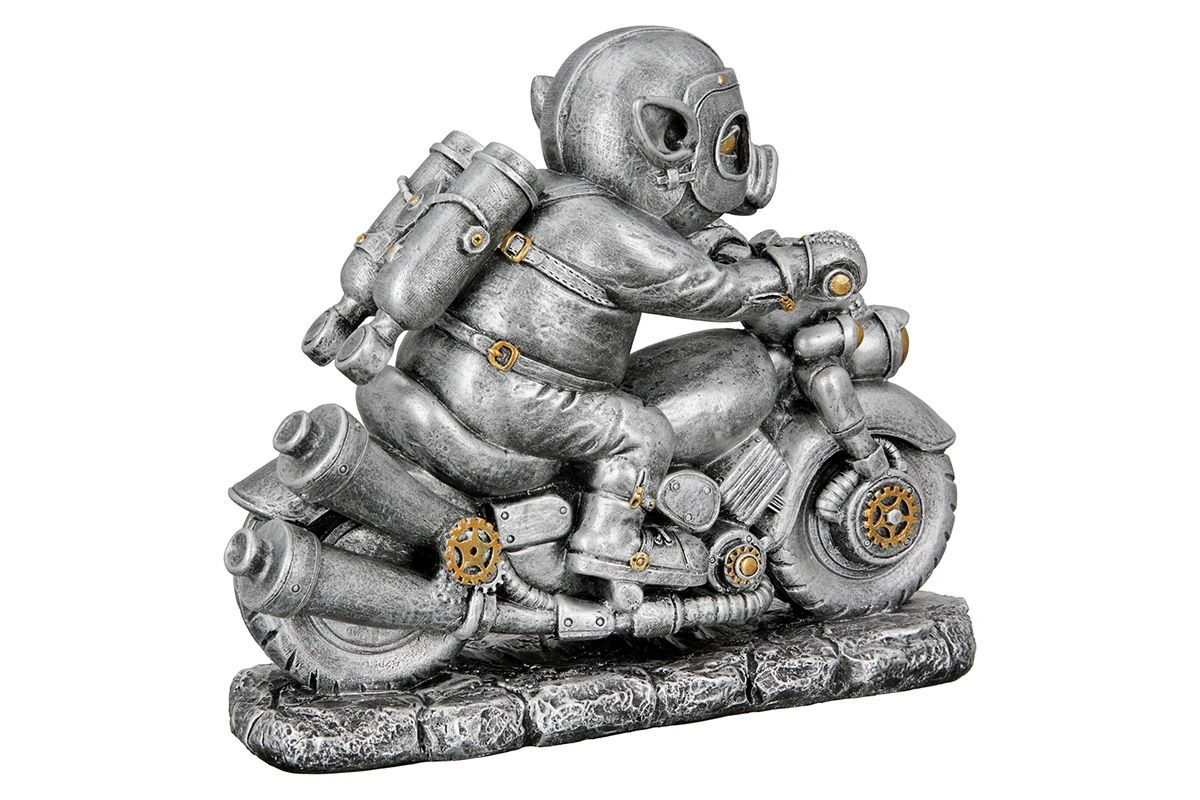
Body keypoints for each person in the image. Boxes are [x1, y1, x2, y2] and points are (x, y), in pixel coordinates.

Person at [339, 27, 812, 598]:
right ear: (669, 135)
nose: (741, 157)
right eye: (729, 142)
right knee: (642, 431)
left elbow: (676, 239)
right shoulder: (615, 230)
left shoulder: (540, 190)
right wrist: (799, 266)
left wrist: (723, 218)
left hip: (432, 374)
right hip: (509, 405)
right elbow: (716, 291)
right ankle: (610, 541)